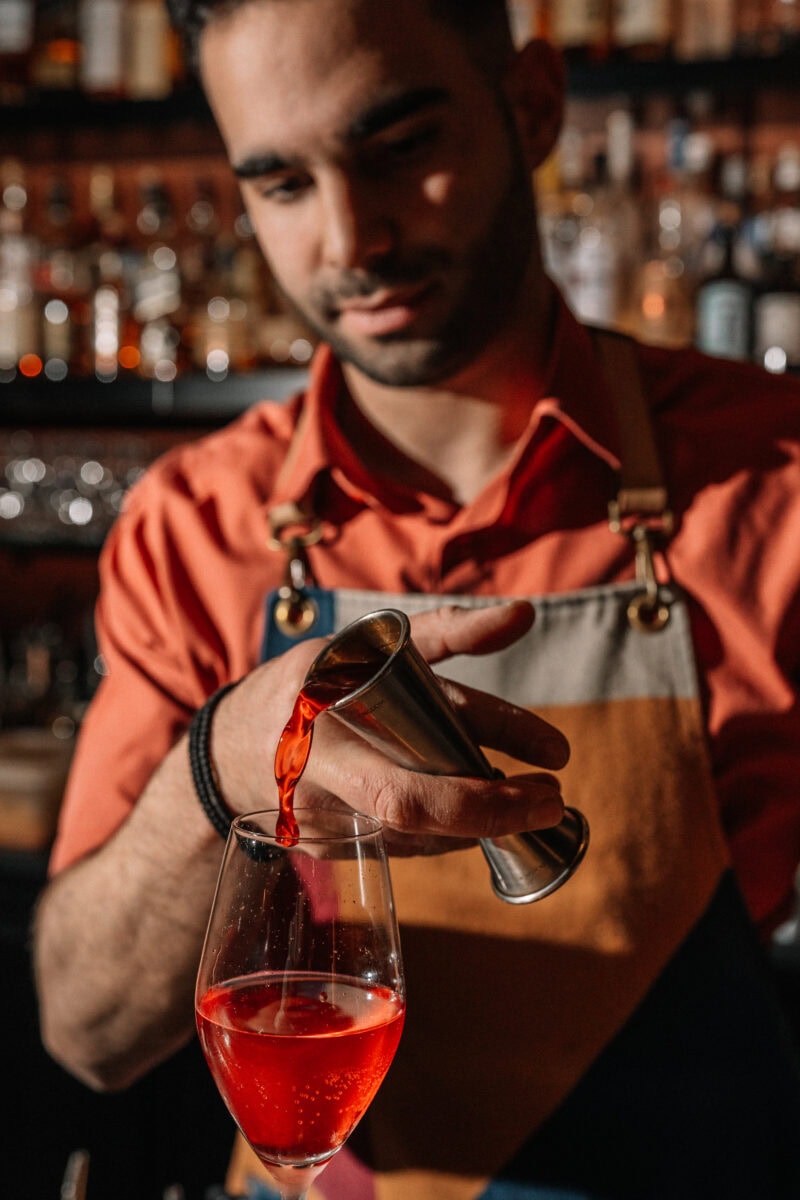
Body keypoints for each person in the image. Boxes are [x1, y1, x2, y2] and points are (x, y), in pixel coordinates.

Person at [33, 1, 800, 1197]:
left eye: (397, 148)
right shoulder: (198, 526)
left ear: (532, 107)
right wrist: (222, 762)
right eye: (281, 183)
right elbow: (85, 1029)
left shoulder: (772, 483)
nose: (351, 237)